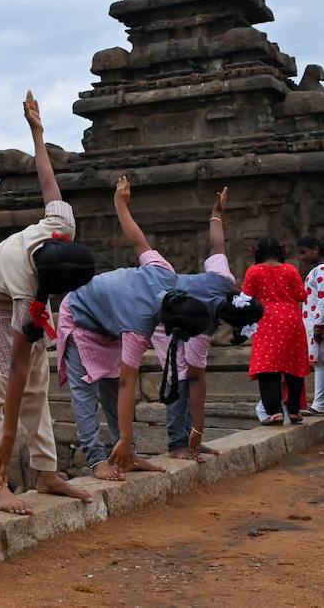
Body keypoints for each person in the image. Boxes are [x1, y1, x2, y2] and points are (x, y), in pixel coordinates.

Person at [57, 180, 261, 478]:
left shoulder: (165, 271)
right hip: (78, 314)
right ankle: (97, 460)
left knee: (112, 390)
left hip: (109, 320)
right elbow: (132, 383)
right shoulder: (140, 329)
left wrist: (121, 206)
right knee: (86, 391)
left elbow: (139, 241)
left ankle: (129, 455)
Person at [0, 91, 96, 515]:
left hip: (17, 301)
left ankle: (45, 472)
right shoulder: (27, 284)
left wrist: (37, 134)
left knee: (38, 389)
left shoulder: (62, 225)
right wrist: (8, 435)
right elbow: (15, 368)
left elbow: (47, 182)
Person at [243, 237, 310, 423]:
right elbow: (301, 295)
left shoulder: (254, 271)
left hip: (266, 320)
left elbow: (247, 298)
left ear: (258, 252)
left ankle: (274, 411)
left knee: (267, 366)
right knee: (293, 364)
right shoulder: (291, 270)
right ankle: (294, 410)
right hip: (292, 320)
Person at [299, 237, 324, 415]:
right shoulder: (317, 271)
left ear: (315, 249)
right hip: (315, 321)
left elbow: (322, 299)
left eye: (303, 252)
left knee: (320, 363)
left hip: (318, 323)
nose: (301, 257)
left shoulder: (321, 271)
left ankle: (319, 403)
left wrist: (319, 325)